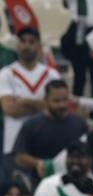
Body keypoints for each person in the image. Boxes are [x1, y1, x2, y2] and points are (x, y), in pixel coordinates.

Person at [13, 79, 88, 186]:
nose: (62, 105)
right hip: (43, 185)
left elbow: (89, 153)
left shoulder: (79, 123)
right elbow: (19, 157)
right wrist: (38, 163)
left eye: (65, 100)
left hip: (74, 185)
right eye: (56, 101)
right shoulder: (32, 125)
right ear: (46, 100)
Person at [0, 28, 60, 158]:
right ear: (17, 45)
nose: (26, 46)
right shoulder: (6, 73)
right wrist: (42, 105)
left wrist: (25, 101)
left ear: (39, 46)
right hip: (14, 145)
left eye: (31, 42)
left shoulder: (51, 74)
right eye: (23, 41)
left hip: (45, 142)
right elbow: (10, 109)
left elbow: (58, 108)